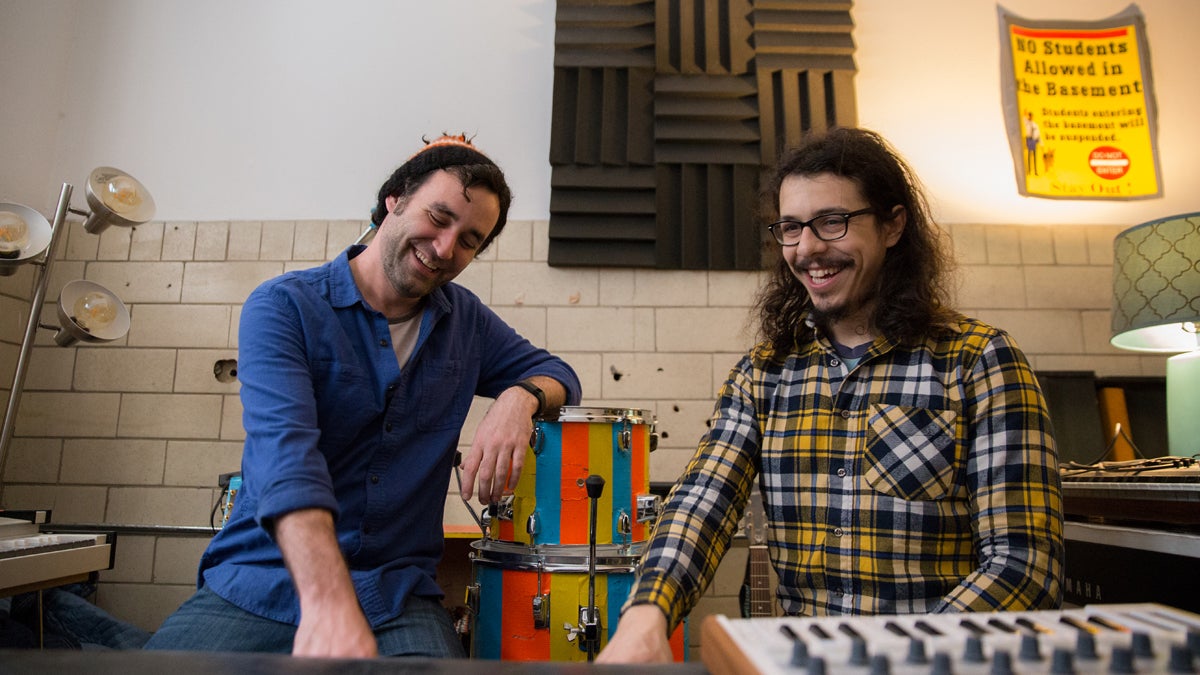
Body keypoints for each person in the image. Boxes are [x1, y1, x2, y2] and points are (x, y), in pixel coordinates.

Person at [599, 127, 1064, 663]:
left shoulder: (978, 361)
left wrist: (892, 658)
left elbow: (1024, 566)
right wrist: (644, 618)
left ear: (893, 225)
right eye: (792, 227)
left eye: (832, 222)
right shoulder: (763, 374)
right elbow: (701, 505)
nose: (809, 248)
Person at [144, 134, 581, 658]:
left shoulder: (466, 321)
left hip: (394, 595)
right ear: (393, 199)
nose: (445, 249)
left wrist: (518, 399)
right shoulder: (284, 307)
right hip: (263, 579)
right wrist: (328, 603)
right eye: (438, 218)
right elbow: (286, 458)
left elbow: (556, 373)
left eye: (469, 240)